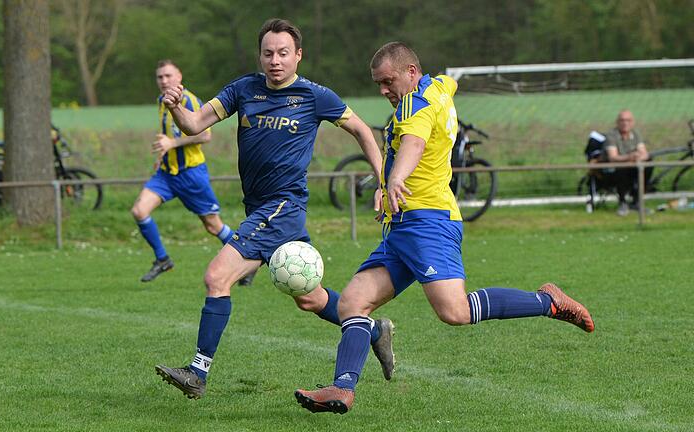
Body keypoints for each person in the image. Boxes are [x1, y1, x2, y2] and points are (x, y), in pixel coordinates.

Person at [294, 42, 595, 415]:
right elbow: (447, 84)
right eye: (378, 84)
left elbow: (415, 144)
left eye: (388, 81)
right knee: (354, 303)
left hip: (428, 222)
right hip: (403, 226)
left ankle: (547, 302)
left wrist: (395, 180)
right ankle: (342, 389)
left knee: (455, 312)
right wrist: (389, 188)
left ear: (410, 73)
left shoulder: (414, 104)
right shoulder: (436, 87)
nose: (383, 91)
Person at [154, 18, 393, 399]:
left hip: (284, 206)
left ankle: (197, 373)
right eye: (268, 53)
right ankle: (374, 330)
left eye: (283, 53)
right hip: (260, 210)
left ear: (298, 55)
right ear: (260, 55)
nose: (275, 60)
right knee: (309, 298)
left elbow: (363, 131)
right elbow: (194, 123)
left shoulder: (315, 95)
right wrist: (178, 105)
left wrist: (383, 180)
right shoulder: (243, 89)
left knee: (217, 276)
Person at [131, 60, 252, 284]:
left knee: (213, 225)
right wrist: (162, 154)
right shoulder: (162, 101)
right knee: (139, 210)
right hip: (167, 174)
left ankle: (247, 259)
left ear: (179, 76)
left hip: (191, 174)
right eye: (160, 77)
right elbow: (166, 133)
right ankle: (162, 259)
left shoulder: (190, 100)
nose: (164, 81)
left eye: (168, 76)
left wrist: (172, 144)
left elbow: (205, 135)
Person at [602, 110, 652, 216]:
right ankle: (622, 202)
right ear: (617, 122)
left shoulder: (635, 134)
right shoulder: (612, 135)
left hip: (633, 167)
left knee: (648, 164)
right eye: (622, 120)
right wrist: (630, 157)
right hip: (614, 170)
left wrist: (639, 157)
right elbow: (613, 157)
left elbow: (645, 153)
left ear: (632, 122)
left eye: (628, 120)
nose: (625, 123)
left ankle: (637, 201)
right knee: (622, 168)